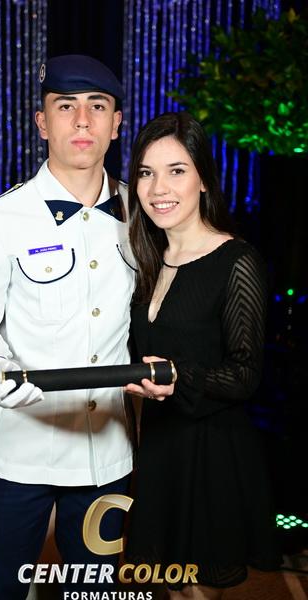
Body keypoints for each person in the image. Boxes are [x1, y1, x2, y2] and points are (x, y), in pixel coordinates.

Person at [0, 54, 172, 600]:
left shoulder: (144, 214)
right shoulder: (3, 218)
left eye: (98, 106)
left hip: (106, 455)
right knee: (0, 591)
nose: (82, 120)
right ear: (42, 122)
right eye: (65, 106)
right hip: (21, 451)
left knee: (94, 592)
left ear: (116, 124)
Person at [123, 112, 282, 599]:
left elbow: (246, 375)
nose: (158, 188)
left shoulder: (237, 261)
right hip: (159, 451)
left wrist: (177, 375)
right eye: (146, 173)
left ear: (204, 180)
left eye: (176, 170)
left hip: (212, 458)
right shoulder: (147, 261)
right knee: (164, 586)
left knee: (198, 591)